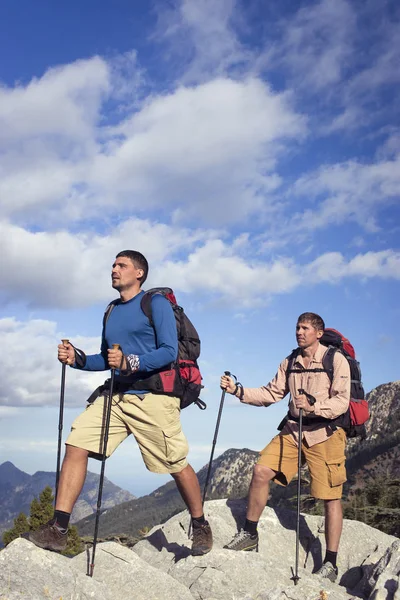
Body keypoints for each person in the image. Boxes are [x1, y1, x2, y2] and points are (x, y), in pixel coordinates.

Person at [24, 250, 212, 556]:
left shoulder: (156, 304)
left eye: (121, 265)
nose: (114, 269)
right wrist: (78, 358)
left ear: (139, 273)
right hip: (116, 395)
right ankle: (58, 530)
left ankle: (201, 524)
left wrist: (131, 360)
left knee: (175, 464)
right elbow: (105, 359)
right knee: (76, 444)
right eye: (113, 264)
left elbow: (168, 352)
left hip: (153, 398)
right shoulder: (111, 310)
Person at [220, 312, 350, 582]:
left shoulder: (335, 360)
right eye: (297, 328)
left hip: (325, 433)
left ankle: (331, 562)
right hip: (293, 430)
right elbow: (271, 393)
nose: (299, 332)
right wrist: (237, 391)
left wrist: (314, 407)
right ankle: (249, 535)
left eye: (304, 328)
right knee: (260, 471)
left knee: (330, 496)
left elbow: (342, 402)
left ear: (318, 332)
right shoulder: (289, 361)